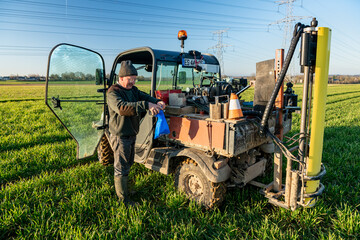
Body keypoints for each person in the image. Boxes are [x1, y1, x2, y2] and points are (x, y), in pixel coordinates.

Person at [107, 60, 165, 206]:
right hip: (120, 135)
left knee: (128, 162)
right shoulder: (113, 92)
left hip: (131, 132)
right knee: (121, 166)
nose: (132, 81)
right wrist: (146, 105)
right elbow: (122, 108)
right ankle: (123, 199)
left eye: (134, 79)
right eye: (129, 79)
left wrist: (157, 101)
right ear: (120, 78)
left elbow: (144, 96)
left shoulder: (133, 90)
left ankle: (126, 190)